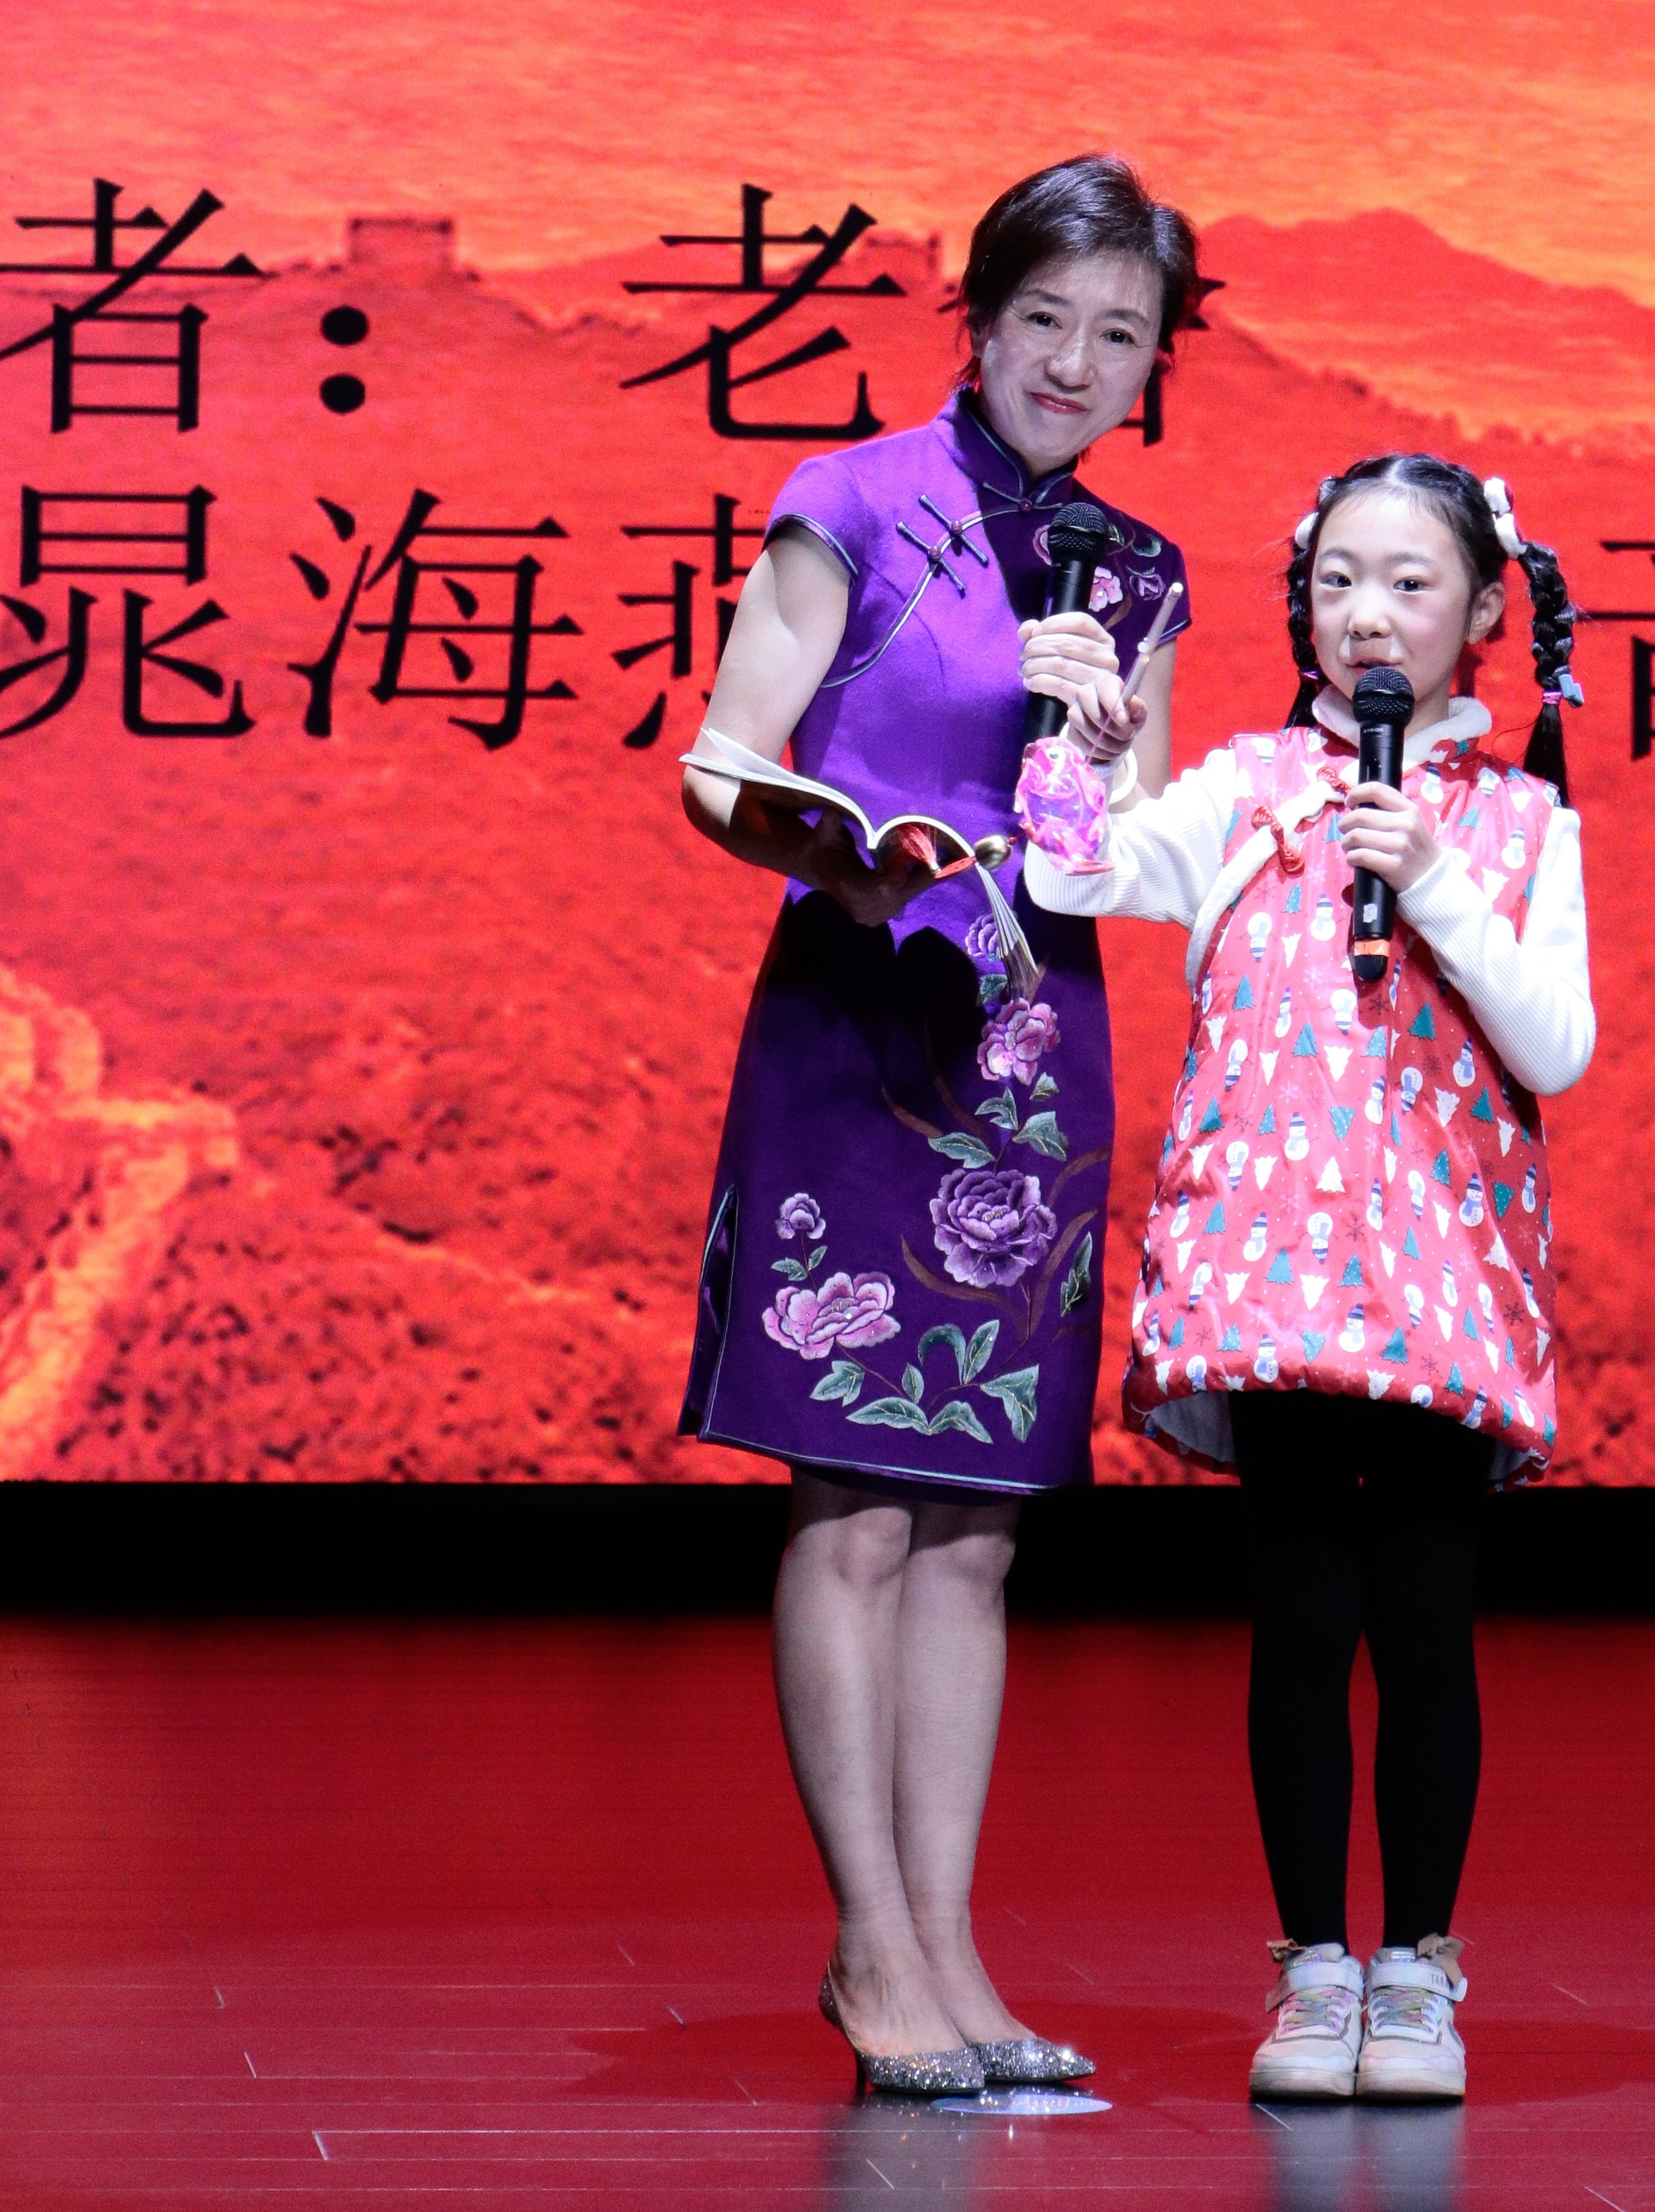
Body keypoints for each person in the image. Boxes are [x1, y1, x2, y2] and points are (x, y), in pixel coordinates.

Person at [677, 154, 1199, 2100]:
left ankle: (955, 1954)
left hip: (1031, 1043)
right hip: (859, 1015)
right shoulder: (852, 501)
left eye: (1118, 336)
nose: (1075, 361)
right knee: (858, 1503)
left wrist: (1093, 747)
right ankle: (869, 1948)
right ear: (976, 320)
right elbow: (723, 759)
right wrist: (842, 855)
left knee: (979, 1531)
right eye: (1044, 319)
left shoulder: (1137, 574)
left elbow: (1125, 856)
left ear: (1152, 367)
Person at [1024, 451, 1592, 2109]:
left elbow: (1556, 1043)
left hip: (1434, 1283)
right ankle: (1311, 1967)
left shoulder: (1519, 820)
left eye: (1410, 583)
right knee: (1294, 1621)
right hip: (1271, 1280)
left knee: (1419, 1620)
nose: (1368, 614)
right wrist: (1079, 747)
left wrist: (1430, 877)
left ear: (1480, 611)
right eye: (1338, 579)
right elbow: (1071, 875)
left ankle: (1414, 1967)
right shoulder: (1247, 787)